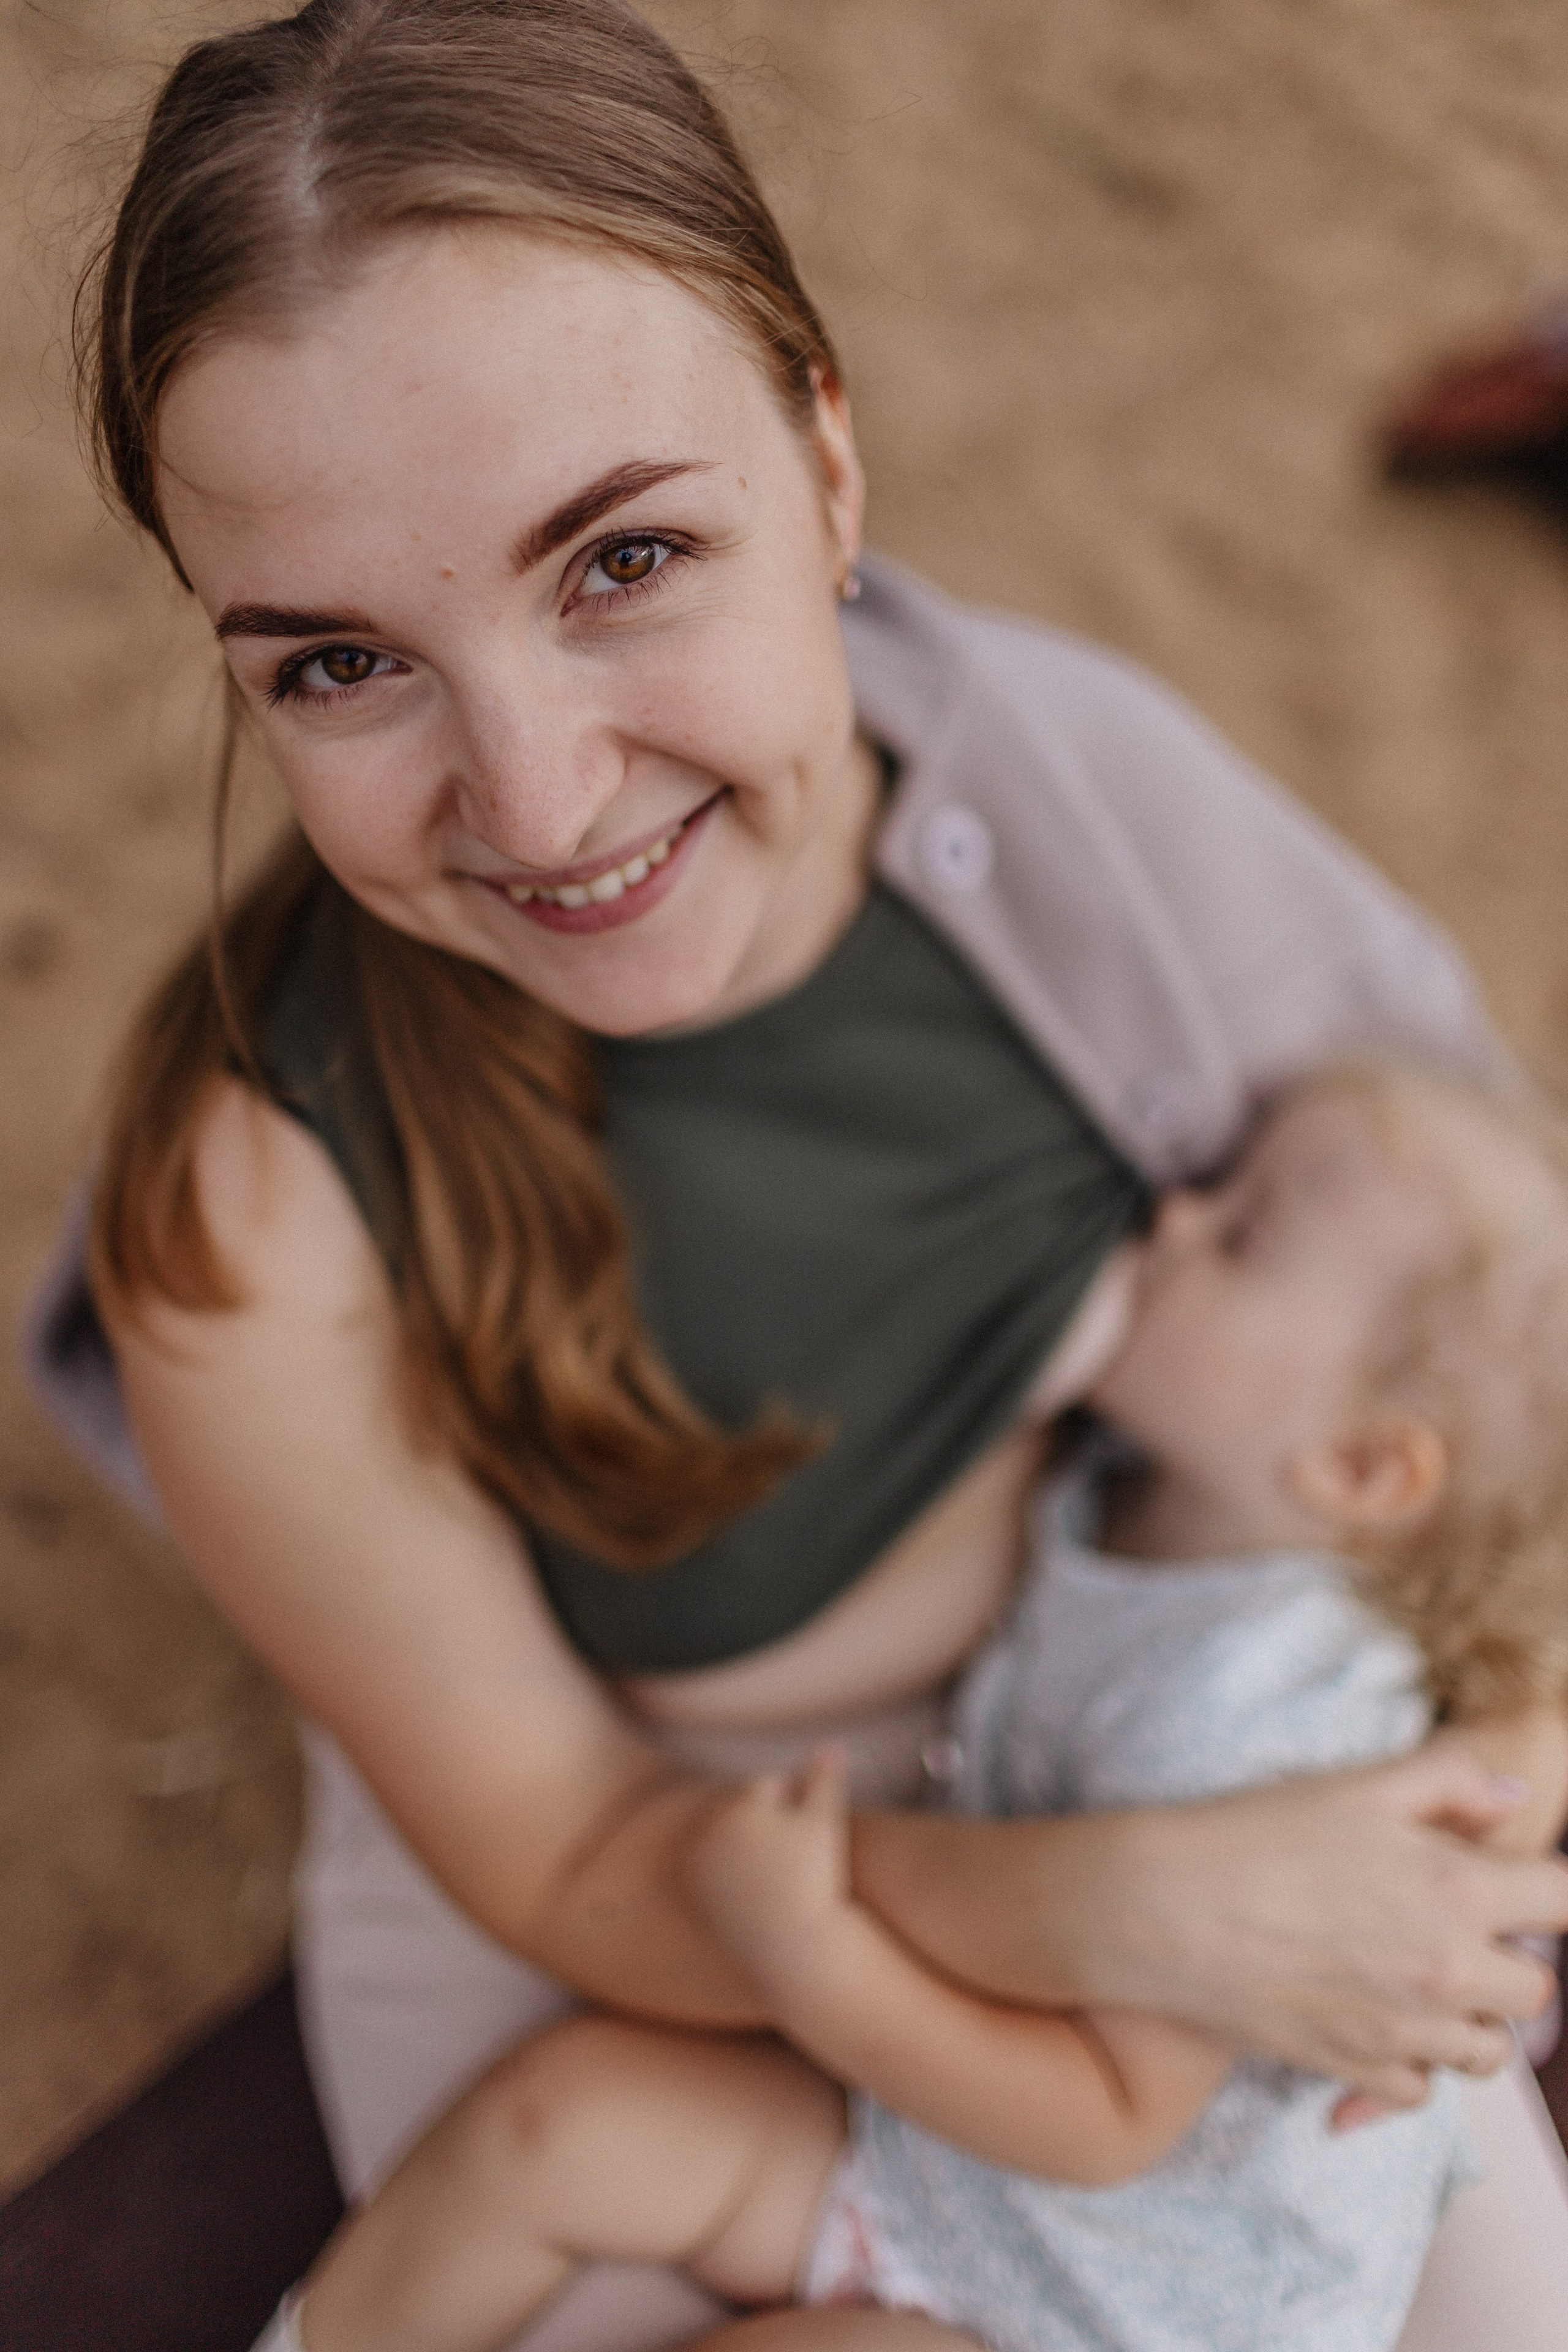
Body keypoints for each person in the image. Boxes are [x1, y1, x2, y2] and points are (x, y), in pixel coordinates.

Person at [31, 1, 1568, 2345]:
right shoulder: (257, 1221)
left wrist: (1445, 1793)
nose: (541, 803)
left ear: (829, 468)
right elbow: (566, 1851)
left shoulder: (1065, 795)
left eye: (625, 555)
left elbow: (1477, 1292)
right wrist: (1130, 1910)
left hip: (1190, 1728)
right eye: (339, 665)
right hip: (659, 1925)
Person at [244, 1062, 1568, 2352]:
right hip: (962, 2171)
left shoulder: (1256, 1732)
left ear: (1356, 1466)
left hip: (1127, 2294)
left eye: (1239, 1235)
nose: (1172, 1211)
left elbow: (1105, 2117)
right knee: (557, 2121)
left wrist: (810, 1953)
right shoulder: (1156, 1494)